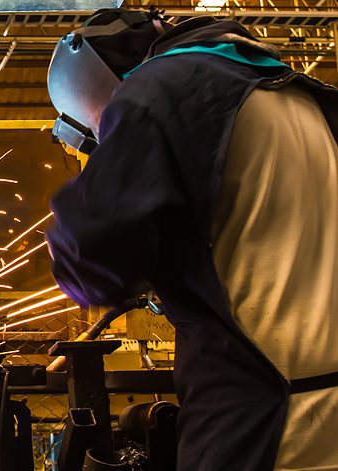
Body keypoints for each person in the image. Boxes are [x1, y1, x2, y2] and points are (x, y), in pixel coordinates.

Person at [44, 8, 338, 470]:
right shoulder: (293, 94)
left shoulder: (161, 90)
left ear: (93, 93)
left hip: (267, 430)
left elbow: (91, 255)